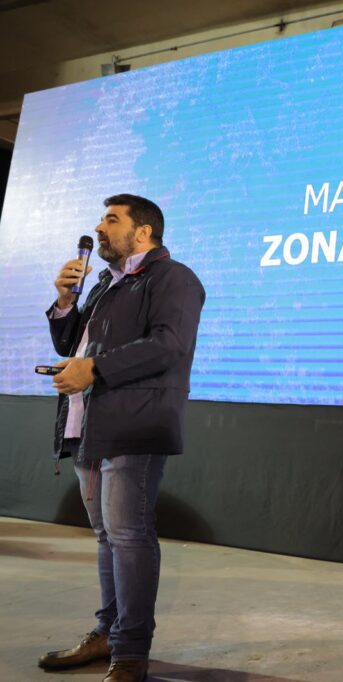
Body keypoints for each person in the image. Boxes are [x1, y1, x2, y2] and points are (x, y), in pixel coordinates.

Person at [37, 195, 206, 682]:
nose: (99, 227)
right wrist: (67, 301)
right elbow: (73, 347)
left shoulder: (174, 278)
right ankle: (108, 632)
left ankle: (131, 651)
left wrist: (97, 368)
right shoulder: (105, 286)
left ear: (143, 232)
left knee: (129, 537)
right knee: (109, 538)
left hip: (136, 424)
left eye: (112, 219)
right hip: (90, 426)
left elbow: (170, 344)